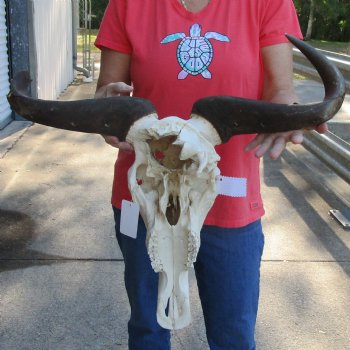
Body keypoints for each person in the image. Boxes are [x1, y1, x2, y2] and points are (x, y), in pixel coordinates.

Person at [94, 1, 326, 349]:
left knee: (233, 334)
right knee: (147, 328)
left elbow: (280, 90)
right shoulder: (128, 3)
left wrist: (288, 113)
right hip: (147, 193)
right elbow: (108, 91)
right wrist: (104, 110)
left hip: (228, 197)